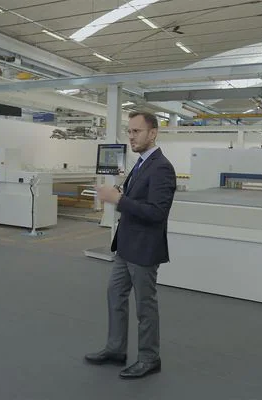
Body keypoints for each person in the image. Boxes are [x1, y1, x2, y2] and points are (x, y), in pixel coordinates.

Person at [86, 111, 177, 379]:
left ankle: (149, 358)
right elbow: (135, 200)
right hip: (125, 246)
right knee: (115, 295)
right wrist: (119, 195)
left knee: (145, 306)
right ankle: (116, 349)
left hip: (144, 249)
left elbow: (157, 212)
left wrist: (118, 199)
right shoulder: (140, 164)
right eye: (129, 131)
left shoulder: (161, 167)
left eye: (137, 131)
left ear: (153, 133)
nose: (131, 136)